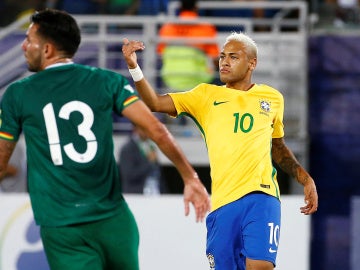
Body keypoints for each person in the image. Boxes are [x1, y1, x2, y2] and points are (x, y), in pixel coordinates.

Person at [0, 9, 210, 270]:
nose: (23, 45)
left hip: (64, 229)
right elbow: (156, 129)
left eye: (29, 39)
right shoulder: (106, 80)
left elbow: (1, 161)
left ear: (47, 50)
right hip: (115, 223)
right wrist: (190, 177)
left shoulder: (17, 94)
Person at [122, 32, 318, 270]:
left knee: (261, 266)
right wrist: (134, 68)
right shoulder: (205, 95)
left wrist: (304, 178)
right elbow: (154, 102)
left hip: (262, 195)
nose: (224, 62)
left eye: (233, 57)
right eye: (222, 56)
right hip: (224, 203)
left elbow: (278, 147)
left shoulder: (272, 98)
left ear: (252, 63)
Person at [157, 0, 220, 92]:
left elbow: (160, 54)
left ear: (180, 8)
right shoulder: (206, 27)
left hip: (170, 79)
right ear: (196, 8)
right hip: (198, 80)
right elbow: (215, 59)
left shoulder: (167, 27)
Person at [118, 124, 166, 194]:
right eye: (144, 129)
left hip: (155, 192)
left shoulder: (151, 146)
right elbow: (128, 175)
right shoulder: (127, 149)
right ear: (135, 129)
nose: (147, 132)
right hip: (136, 195)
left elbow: (158, 172)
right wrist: (149, 162)